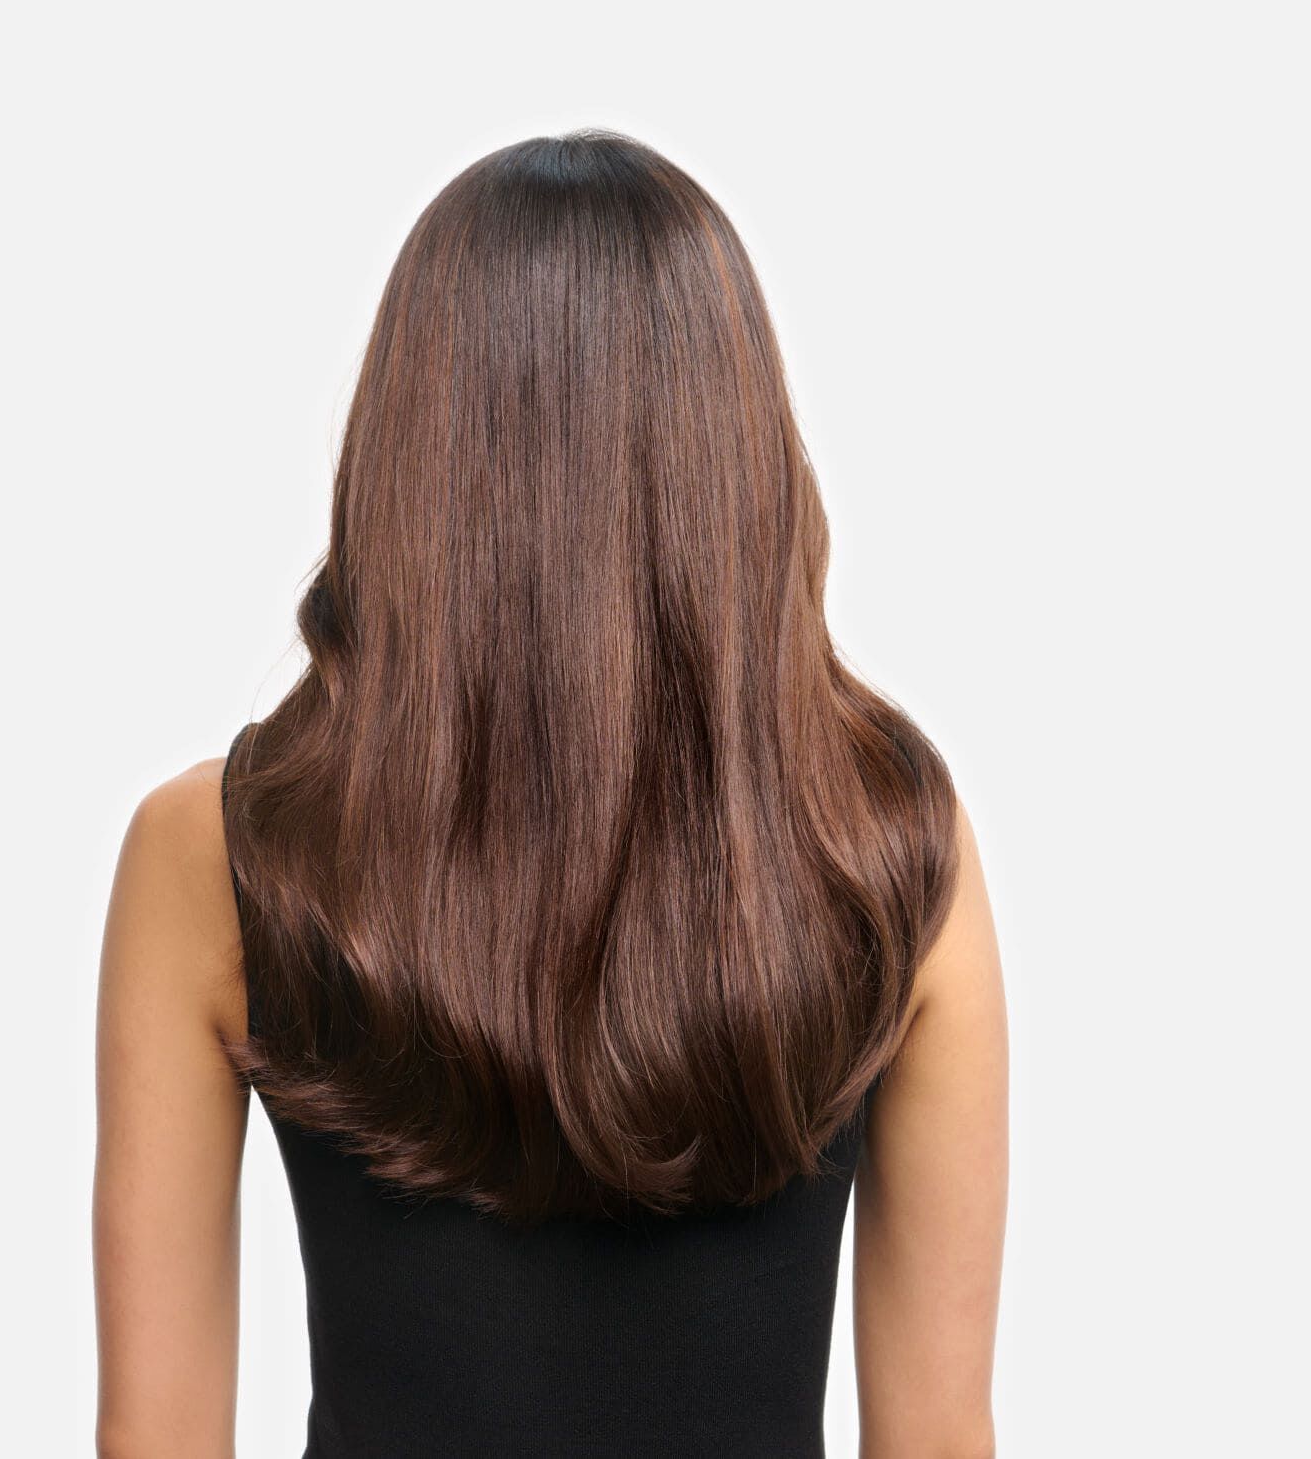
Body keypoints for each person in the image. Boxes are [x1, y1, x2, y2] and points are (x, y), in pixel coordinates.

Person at [93, 130, 1008, 1459]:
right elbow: (937, 1436)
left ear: (405, 455)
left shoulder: (220, 852)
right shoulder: (890, 848)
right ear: (739, 462)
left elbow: (156, 1438)